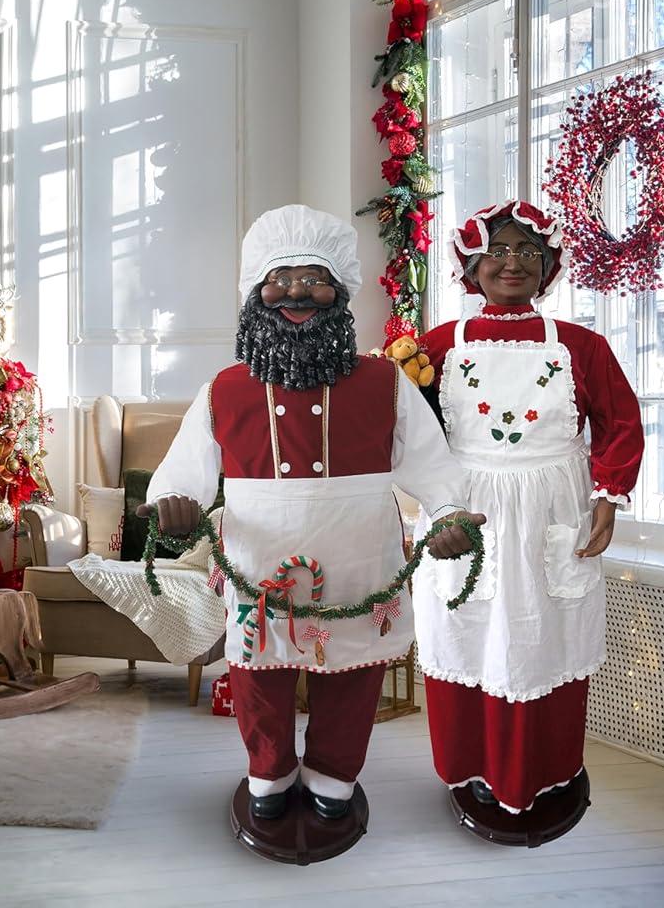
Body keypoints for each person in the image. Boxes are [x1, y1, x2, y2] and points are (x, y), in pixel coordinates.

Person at [143, 205, 483, 822]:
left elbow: (434, 468)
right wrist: (174, 504)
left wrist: (451, 515)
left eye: (313, 279)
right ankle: (268, 773)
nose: (296, 293)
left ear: (341, 293)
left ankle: (334, 773)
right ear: (255, 293)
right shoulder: (225, 388)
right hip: (259, 564)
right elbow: (182, 473)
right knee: (258, 673)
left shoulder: (386, 382)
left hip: (362, 561)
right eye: (280, 279)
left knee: (354, 675)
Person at [412, 200, 644, 823]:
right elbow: (407, 432)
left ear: (547, 267)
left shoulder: (581, 346)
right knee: (468, 636)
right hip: (468, 511)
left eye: (526, 252)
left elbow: (620, 423)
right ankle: (472, 769)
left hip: (552, 513)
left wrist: (608, 496)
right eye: (497, 250)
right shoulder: (434, 348)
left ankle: (545, 772)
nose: (511, 262)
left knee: (544, 643)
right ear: (471, 265)